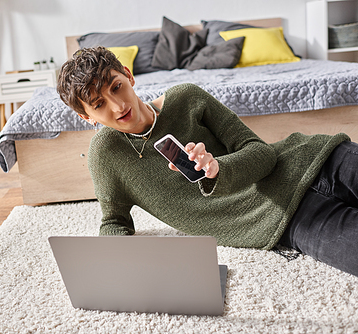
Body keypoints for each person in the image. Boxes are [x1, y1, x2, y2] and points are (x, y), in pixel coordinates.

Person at [57, 46, 358, 277]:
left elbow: (261, 152)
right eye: (99, 104)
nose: (118, 104)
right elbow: (114, 221)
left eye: (116, 86)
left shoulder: (186, 98)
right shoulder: (106, 155)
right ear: (87, 117)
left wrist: (218, 168)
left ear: (128, 75)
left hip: (316, 160)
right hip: (284, 218)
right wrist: (119, 264)